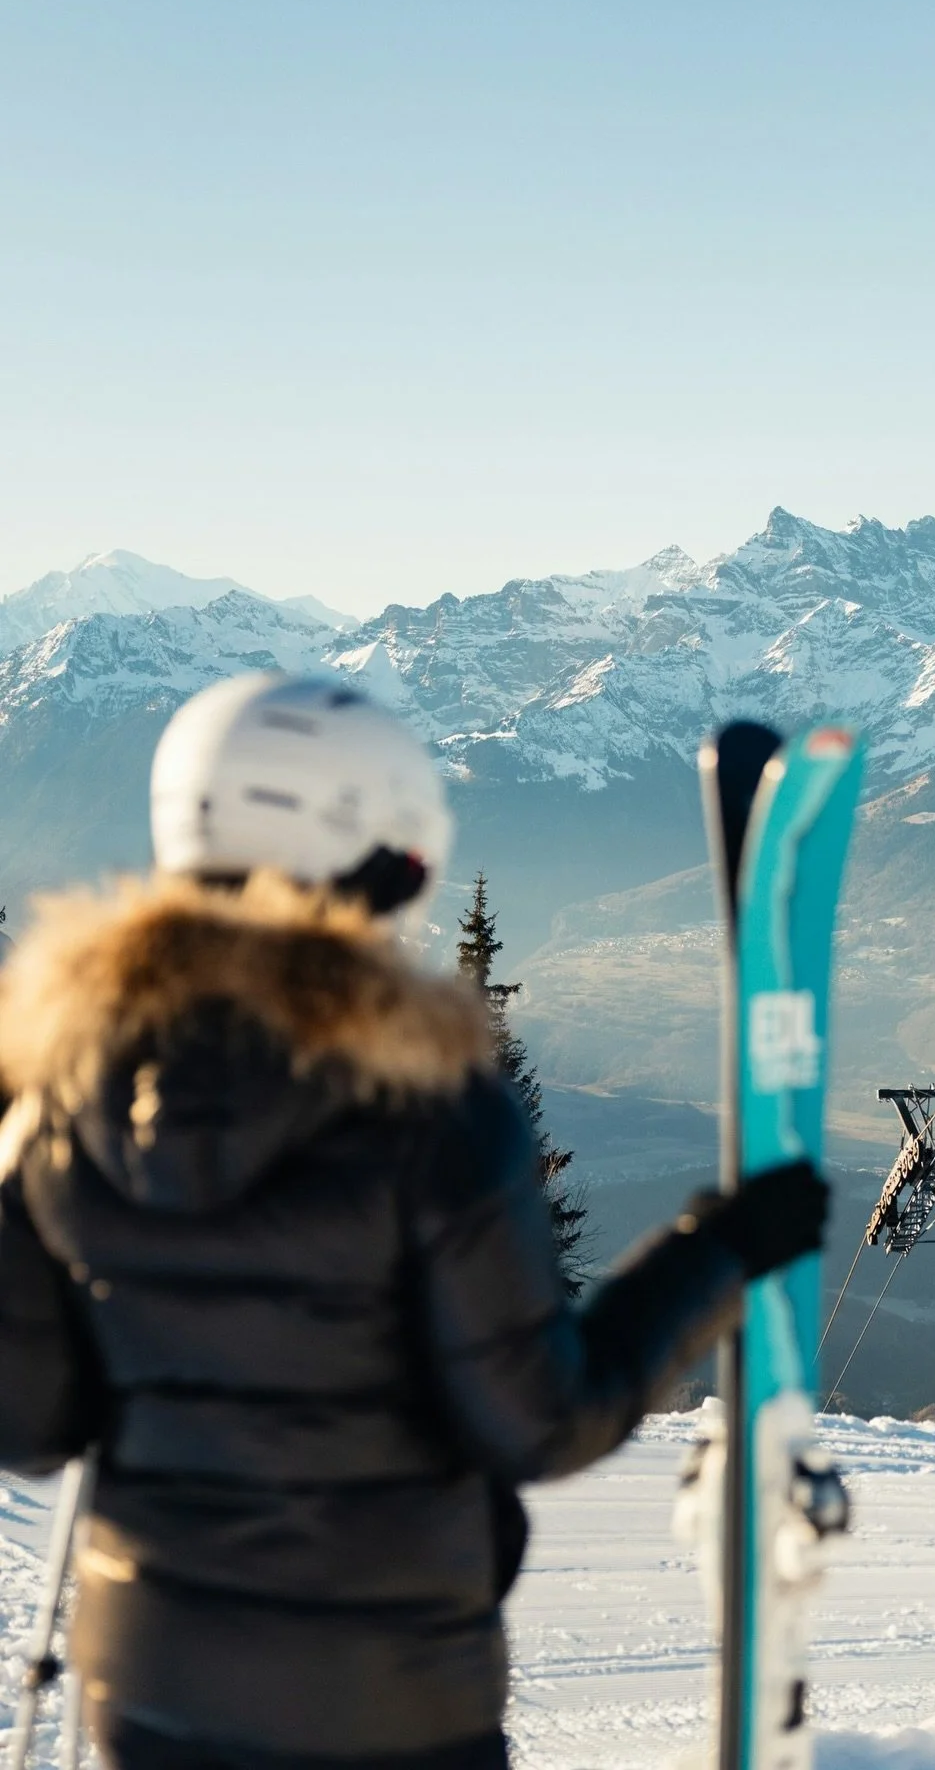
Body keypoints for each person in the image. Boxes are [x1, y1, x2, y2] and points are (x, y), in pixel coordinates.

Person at [0, 672, 827, 1770]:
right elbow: (539, 1416)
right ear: (370, 860)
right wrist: (723, 1248)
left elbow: (31, 1424)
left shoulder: (53, 1095)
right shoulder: (426, 1106)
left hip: (155, 1697)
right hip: (389, 1706)